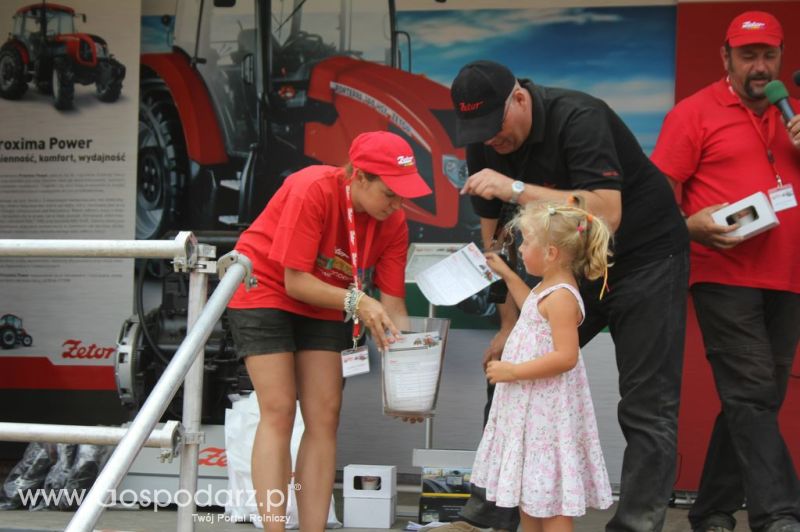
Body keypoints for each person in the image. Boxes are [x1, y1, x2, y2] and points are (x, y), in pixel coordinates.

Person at [447, 60, 690, 532]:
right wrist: (509, 325)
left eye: (495, 127)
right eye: (477, 132)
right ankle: (487, 518)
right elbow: (495, 239)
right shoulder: (484, 140)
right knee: (508, 375)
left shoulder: (580, 116)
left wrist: (515, 187)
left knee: (647, 402)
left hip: (645, 259)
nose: (490, 141)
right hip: (565, 269)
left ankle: (637, 525)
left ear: (519, 98)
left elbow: (607, 213)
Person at [226, 131, 431, 530]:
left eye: (403, 194)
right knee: (280, 409)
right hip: (266, 288)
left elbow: (392, 305)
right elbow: (295, 282)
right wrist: (358, 302)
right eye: (390, 193)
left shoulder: (394, 222)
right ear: (359, 176)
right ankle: (273, 528)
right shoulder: (312, 188)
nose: (398, 203)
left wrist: (408, 385)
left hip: (329, 299)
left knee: (325, 414)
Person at [651, 11, 800, 532]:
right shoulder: (694, 114)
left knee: (753, 398)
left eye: (769, 55)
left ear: (781, 58)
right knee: (753, 392)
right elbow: (653, 196)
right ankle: (779, 515)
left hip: (788, 278)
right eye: (748, 56)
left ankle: (712, 509)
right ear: (726, 58)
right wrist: (688, 227)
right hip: (723, 275)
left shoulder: (794, 116)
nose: (760, 67)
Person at [473, 200, 614, 532]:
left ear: (551, 253)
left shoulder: (563, 296)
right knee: (531, 498)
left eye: (526, 242)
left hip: (546, 418)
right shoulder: (547, 288)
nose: (520, 250)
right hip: (531, 413)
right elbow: (532, 307)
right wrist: (507, 273)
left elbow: (567, 356)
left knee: (551, 504)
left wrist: (513, 372)